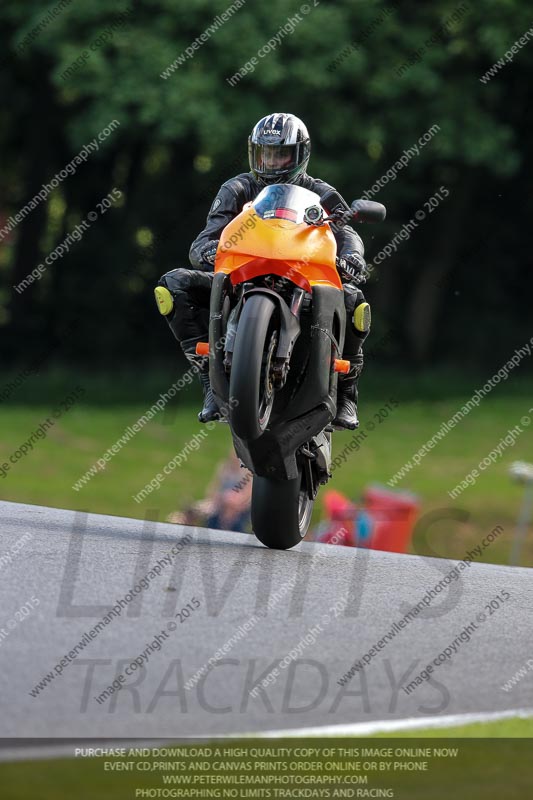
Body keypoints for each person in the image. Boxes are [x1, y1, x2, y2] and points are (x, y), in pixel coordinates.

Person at [155, 112, 371, 430]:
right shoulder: (238, 188)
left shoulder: (320, 191)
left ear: (300, 155)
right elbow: (209, 233)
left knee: (355, 301)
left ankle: (347, 392)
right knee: (172, 286)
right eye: (265, 153)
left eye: (280, 154)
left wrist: (353, 255)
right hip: (244, 272)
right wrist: (206, 250)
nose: (272, 162)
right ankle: (207, 374)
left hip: (302, 276)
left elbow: (345, 230)